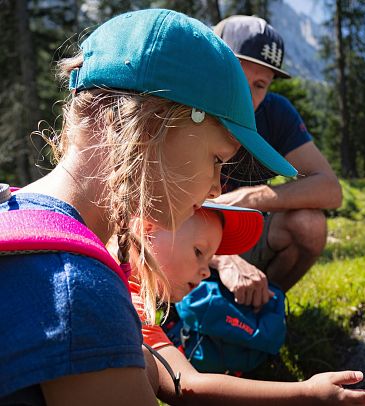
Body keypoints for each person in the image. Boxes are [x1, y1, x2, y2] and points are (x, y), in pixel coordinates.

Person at [0, 9, 296, 405]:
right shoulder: (79, 288)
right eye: (217, 159)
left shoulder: (12, 210)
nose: (216, 185)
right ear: (151, 125)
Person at [131, 203, 365, 406]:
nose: (207, 272)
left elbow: (187, 384)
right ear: (147, 228)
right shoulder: (115, 293)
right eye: (199, 252)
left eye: (210, 259)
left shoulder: (138, 306)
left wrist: (307, 393)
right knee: (141, 363)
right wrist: (307, 394)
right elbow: (187, 386)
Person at [210, 15, 343, 306]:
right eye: (237, 79)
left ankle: (264, 307)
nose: (247, 97)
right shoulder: (181, 106)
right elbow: (144, 215)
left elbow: (330, 189)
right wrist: (219, 258)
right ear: (212, 67)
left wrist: (253, 197)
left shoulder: (276, 113)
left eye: (260, 85)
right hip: (173, 238)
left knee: (309, 224)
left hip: (240, 234)